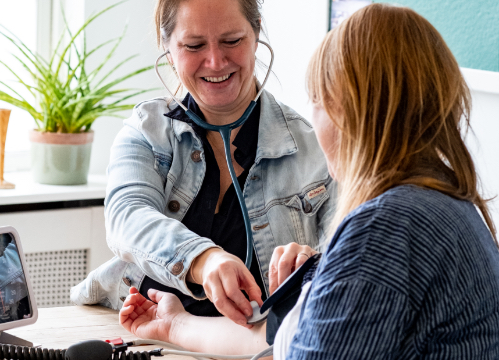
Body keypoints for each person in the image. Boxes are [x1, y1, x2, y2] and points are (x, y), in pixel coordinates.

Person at [118, 3, 499, 359]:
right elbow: (290, 340)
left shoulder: (384, 228)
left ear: (347, 112)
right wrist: (176, 321)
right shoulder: (443, 203)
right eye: (195, 45)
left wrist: (325, 274)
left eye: (316, 100)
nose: (215, 59)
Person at [70, 0, 334, 327]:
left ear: (256, 34)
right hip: (139, 332)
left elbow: (346, 259)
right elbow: (127, 215)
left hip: (251, 346)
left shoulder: (316, 147)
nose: (215, 61)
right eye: (194, 45)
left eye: (232, 41)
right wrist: (202, 260)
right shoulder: (146, 131)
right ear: (167, 50)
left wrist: (313, 267)